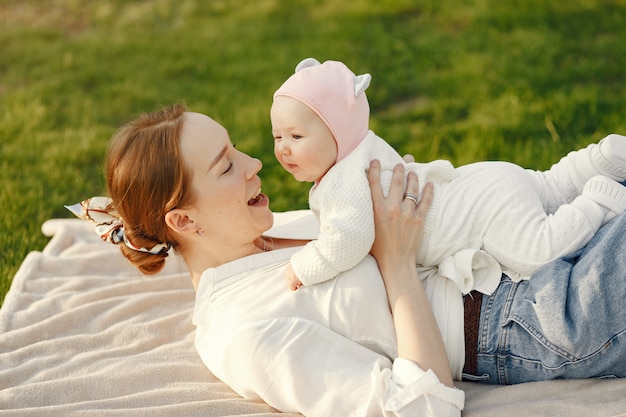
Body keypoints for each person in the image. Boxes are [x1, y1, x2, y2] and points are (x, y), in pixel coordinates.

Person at [68, 104, 626, 417]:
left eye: (236, 147)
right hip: (531, 318)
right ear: (184, 222)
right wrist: (398, 265)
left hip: (524, 243)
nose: (256, 162)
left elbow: (372, 219)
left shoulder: (272, 229)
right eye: (225, 167)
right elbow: (416, 410)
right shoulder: (245, 334)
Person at [270, 58, 626, 292]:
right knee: (548, 185)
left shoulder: (343, 183)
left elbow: (348, 239)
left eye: (296, 137)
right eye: (277, 137)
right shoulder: (367, 148)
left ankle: (597, 199)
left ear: (338, 131)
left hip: (481, 216)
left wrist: (304, 267)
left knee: (539, 250)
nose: (283, 149)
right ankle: (595, 161)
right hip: (483, 179)